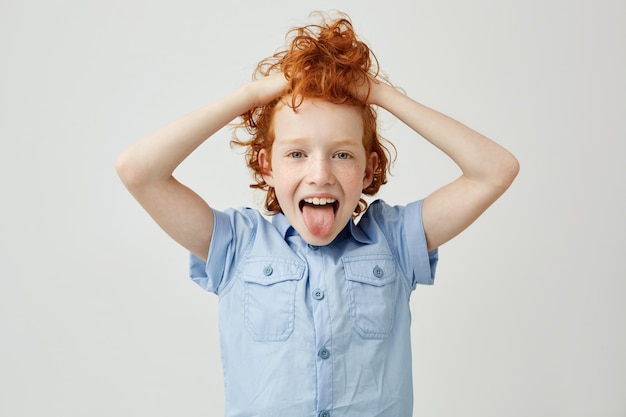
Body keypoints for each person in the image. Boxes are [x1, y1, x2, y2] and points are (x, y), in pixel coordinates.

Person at [116, 11, 519, 417]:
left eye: (342, 154)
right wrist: (252, 96)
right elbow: (138, 171)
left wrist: (381, 95)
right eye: (296, 154)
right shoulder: (237, 245)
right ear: (266, 167)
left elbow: (494, 171)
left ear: (369, 169)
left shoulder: (395, 242)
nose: (320, 174)